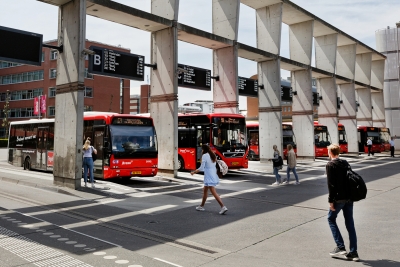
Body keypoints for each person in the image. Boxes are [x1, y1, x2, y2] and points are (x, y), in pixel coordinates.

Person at [326, 144, 359, 262]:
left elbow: (331, 185)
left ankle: (340, 247)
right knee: (350, 223)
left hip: (339, 198)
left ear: (330, 152)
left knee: (330, 219)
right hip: (349, 197)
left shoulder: (330, 164)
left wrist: (331, 201)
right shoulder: (345, 163)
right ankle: (354, 252)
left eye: (328, 151)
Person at [190, 144, 228, 215]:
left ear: (203, 149)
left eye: (202, 149)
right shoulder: (212, 154)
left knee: (213, 192)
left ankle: (223, 207)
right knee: (205, 190)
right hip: (213, 174)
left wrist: (194, 172)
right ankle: (201, 206)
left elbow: (201, 168)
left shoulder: (205, 156)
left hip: (209, 176)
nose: (201, 150)